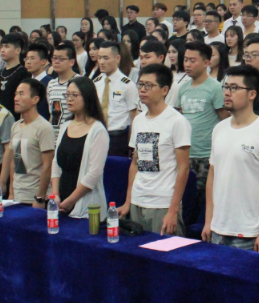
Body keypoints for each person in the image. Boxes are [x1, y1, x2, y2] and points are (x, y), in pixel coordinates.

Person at [201, 65, 259, 252]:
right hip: (217, 228)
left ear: (252, 94)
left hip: (249, 233)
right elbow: (212, 176)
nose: (227, 93)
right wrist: (208, 220)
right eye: (226, 87)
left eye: (234, 88)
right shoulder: (219, 129)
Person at [122, 64, 191, 235]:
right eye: (140, 84)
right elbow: (135, 164)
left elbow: (183, 168)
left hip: (162, 204)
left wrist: (173, 211)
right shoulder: (138, 120)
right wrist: (128, 201)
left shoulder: (177, 121)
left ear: (164, 90)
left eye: (149, 85)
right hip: (138, 201)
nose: (142, 90)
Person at [174, 42, 227, 202]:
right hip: (185, 154)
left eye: (192, 60)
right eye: (185, 60)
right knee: (184, 199)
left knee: (202, 199)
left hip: (206, 155)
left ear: (206, 63)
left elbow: (225, 120)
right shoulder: (182, 88)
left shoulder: (215, 88)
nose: (187, 64)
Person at [50, 77, 109, 219]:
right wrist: (55, 194)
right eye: (67, 94)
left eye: (74, 95)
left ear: (87, 97)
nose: (69, 99)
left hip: (85, 202)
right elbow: (56, 163)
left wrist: (70, 201)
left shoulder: (98, 130)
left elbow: (94, 173)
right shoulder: (65, 126)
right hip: (61, 198)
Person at [3, 79, 57, 207]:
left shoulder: (44, 128)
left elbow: (48, 165)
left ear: (35, 99)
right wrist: (11, 193)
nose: (16, 98)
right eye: (16, 94)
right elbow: (13, 161)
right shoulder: (15, 126)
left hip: (34, 197)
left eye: (21, 94)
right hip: (17, 195)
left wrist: (40, 198)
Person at [93, 42, 138, 157]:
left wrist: (131, 144)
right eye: (99, 58)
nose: (101, 62)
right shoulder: (96, 82)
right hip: (97, 134)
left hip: (118, 137)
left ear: (117, 58)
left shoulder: (127, 85)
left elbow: (134, 117)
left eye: (105, 58)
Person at [46, 41, 80, 139]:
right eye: (54, 58)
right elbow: (51, 114)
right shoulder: (51, 84)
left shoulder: (79, 82)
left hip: (72, 135)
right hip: (54, 137)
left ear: (71, 62)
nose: (56, 61)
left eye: (61, 59)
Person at [0, 34, 30, 120]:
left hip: (15, 118)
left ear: (17, 50)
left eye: (6, 47)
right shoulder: (0, 73)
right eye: (2, 47)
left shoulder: (24, 73)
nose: (2, 50)